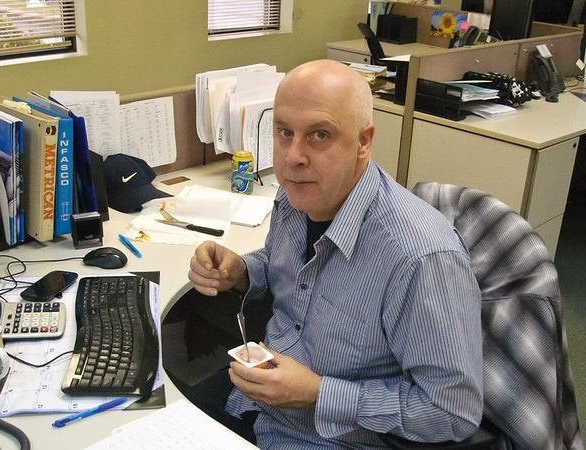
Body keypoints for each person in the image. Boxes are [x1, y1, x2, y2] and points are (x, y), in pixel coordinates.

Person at [188, 60, 483, 447]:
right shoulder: (296, 193)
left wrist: (318, 393)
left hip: (330, 437)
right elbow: (290, 266)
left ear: (364, 142)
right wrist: (242, 270)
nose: (293, 157)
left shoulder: (421, 259)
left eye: (319, 135)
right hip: (257, 397)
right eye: (284, 132)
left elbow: (453, 414)